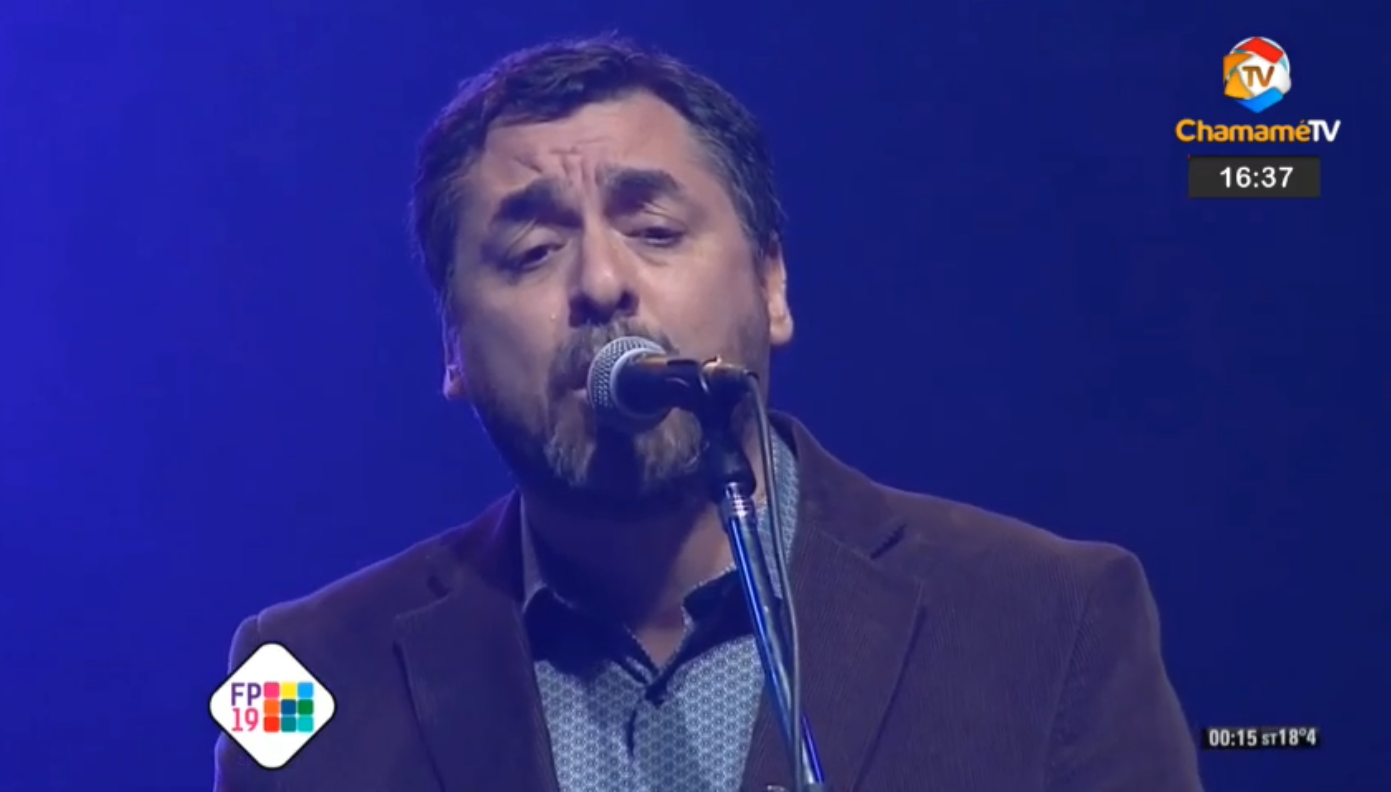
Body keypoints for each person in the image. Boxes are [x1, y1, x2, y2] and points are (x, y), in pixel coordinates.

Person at [213, 35, 1203, 792]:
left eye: (653, 230)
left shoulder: (1054, 617)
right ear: (451, 349)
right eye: (531, 253)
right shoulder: (298, 675)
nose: (600, 283)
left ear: (771, 285)